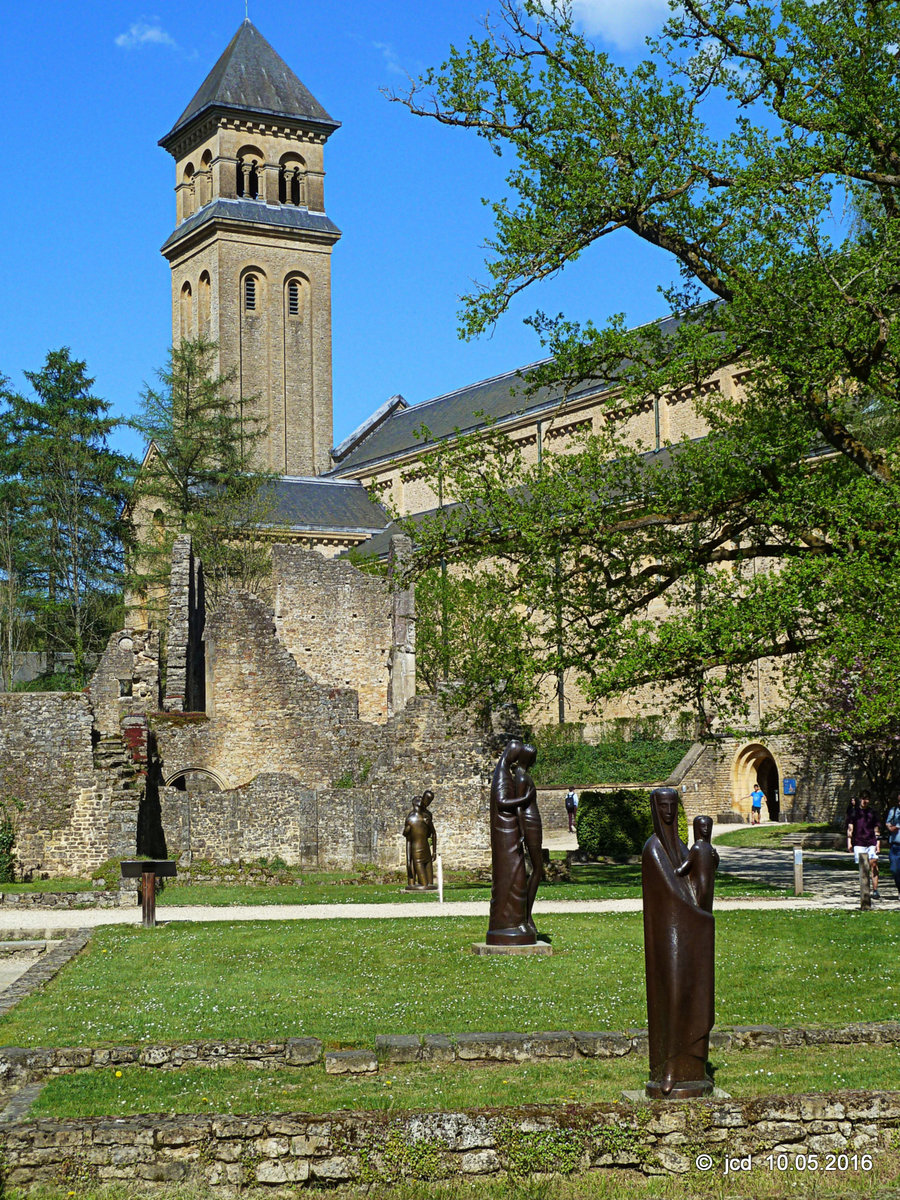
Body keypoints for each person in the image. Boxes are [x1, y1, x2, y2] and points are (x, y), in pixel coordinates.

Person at [642, 787, 716, 1098]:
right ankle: (669, 1065)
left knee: (693, 989)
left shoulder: (685, 847)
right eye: (663, 806)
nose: (669, 811)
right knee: (672, 994)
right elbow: (673, 890)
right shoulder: (653, 849)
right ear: (655, 809)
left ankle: (693, 1062)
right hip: (668, 934)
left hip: (689, 933)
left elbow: (697, 880)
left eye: (673, 805)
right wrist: (699, 915)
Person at [516, 744, 543, 937]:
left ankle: (527, 914)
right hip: (529, 821)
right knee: (537, 869)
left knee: (536, 869)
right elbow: (518, 806)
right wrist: (522, 829)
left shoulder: (521, 775)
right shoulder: (522, 776)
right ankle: (526, 915)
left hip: (532, 819)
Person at [675, 814, 719, 913]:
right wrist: (678, 871)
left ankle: (705, 919)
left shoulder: (709, 847)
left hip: (709, 881)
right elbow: (688, 863)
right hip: (699, 881)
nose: (706, 829)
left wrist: (715, 857)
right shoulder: (697, 847)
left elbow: (715, 865)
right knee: (701, 898)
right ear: (698, 828)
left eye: (708, 826)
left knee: (706, 900)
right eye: (703, 826)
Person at [847, 791, 881, 899]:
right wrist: (849, 842)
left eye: (866, 799)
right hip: (859, 842)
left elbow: (876, 829)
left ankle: (875, 890)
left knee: (874, 863)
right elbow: (850, 829)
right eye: (862, 798)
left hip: (871, 841)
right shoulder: (854, 812)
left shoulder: (872, 813)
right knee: (863, 866)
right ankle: (865, 890)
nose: (864, 801)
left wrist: (878, 844)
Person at [402, 790, 437, 889]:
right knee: (423, 882)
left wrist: (434, 851)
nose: (427, 802)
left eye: (429, 800)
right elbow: (407, 837)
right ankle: (412, 883)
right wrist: (408, 861)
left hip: (425, 848)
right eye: (426, 799)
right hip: (416, 848)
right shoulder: (411, 818)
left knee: (429, 882)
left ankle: (414, 884)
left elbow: (433, 833)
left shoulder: (427, 816)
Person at [886, 795, 900, 900]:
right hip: (895, 845)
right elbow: (887, 823)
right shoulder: (894, 811)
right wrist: (890, 828)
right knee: (895, 870)